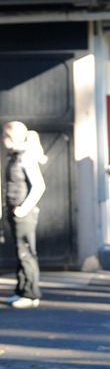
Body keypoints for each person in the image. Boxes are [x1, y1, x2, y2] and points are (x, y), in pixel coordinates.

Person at [3, 121, 47, 309]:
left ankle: (31, 294)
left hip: (24, 213)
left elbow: (39, 185)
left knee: (26, 253)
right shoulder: (14, 156)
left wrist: (24, 208)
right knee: (20, 252)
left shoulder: (26, 157)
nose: (3, 139)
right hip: (15, 210)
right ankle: (21, 290)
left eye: (6, 136)